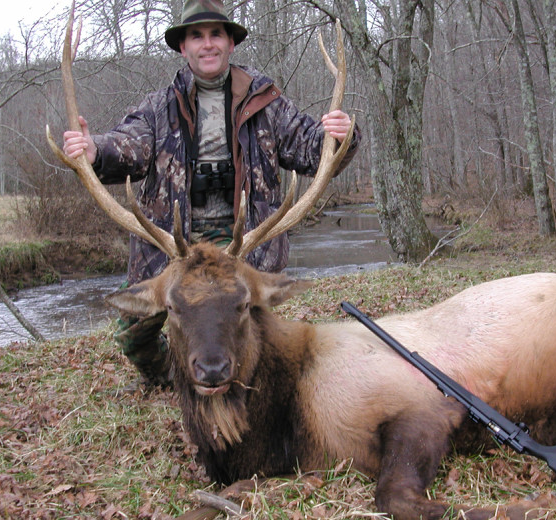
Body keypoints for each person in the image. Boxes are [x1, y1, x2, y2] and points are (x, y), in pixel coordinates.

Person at [62, 0, 361, 389]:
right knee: (132, 337)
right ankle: (174, 379)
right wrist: (94, 150)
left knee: (250, 332)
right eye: (197, 36)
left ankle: (243, 381)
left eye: (216, 34)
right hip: (175, 250)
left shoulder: (266, 103)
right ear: (183, 47)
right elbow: (127, 147)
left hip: (242, 248)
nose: (207, 44)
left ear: (230, 43)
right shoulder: (158, 108)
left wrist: (339, 135)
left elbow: (309, 148)